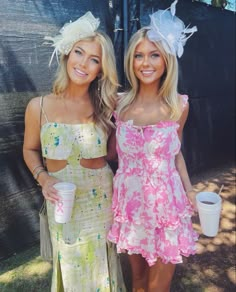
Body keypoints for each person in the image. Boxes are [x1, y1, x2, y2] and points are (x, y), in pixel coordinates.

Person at [23, 11, 126, 291]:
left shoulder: (107, 106)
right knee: (69, 264)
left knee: (100, 266)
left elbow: (115, 153)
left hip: (100, 200)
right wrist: (43, 178)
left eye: (94, 60)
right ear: (67, 54)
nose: (84, 63)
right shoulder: (39, 106)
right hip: (62, 203)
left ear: (100, 70)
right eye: (79, 52)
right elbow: (30, 149)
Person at [107, 1, 198, 291]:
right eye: (139, 55)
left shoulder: (178, 106)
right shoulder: (118, 105)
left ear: (166, 60)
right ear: (131, 61)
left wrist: (190, 189)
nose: (145, 63)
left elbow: (176, 152)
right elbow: (109, 150)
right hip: (131, 205)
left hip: (167, 207)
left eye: (154, 55)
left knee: (159, 286)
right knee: (138, 281)